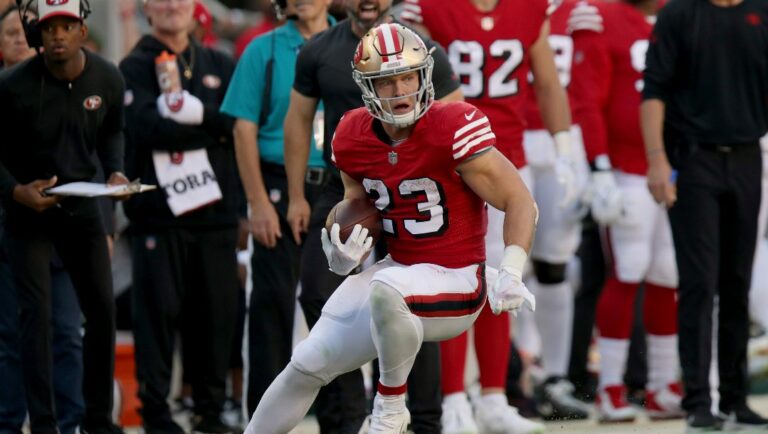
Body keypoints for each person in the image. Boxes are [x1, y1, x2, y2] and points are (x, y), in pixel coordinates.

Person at [244, 23, 537, 434]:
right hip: (397, 271)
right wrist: (339, 244)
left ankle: (389, 410)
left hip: (458, 279)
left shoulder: (453, 125)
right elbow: (354, 205)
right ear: (368, 87)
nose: (400, 91)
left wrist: (511, 267)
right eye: (387, 81)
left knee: (387, 288)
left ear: (424, 77)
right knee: (308, 360)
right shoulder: (351, 134)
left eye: (407, 77)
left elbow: (519, 199)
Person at [402, 0, 586, 429]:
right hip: (447, 158)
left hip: (506, 155)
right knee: (450, 278)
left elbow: (546, 82)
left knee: (502, 278)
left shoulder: (528, 9)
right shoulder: (429, 8)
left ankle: (492, 398)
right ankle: (450, 398)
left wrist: (563, 148)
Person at [283, 0, 462, 431]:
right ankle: (344, 418)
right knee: (318, 290)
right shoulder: (317, 50)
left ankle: (422, 419)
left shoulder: (419, 48)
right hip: (348, 189)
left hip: (410, 188)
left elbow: (457, 120)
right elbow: (298, 122)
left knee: (416, 304)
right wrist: (295, 197)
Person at [0, 1, 127, 433]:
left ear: (82, 31)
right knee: (35, 317)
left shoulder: (107, 76)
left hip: (81, 205)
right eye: (50, 27)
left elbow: (113, 129)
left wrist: (114, 169)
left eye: (66, 26)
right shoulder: (13, 85)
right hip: (27, 210)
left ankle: (96, 419)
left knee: (102, 311)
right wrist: (15, 190)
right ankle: (45, 423)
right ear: (38, 33)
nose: (57, 35)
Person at [640, 0, 768, 431]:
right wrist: (657, 159)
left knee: (737, 281)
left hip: (749, 156)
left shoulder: (761, 12)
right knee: (699, 282)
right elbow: (653, 90)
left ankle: (735, 398)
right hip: (693, 159)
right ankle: (698, 399)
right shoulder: (680, 13)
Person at [119, 0, 240, 433]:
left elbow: (236, 124)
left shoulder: (218, 62)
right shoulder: (133, 66)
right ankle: (157, 412)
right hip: (157, 216)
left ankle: (211, 408)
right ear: (146, 9)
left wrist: (200, 115)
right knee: (157, 317)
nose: (171, 5)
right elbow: (147, 126)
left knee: (215, 317)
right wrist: (210, 128)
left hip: (217, 216)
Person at [569, 0, 683, 422]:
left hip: (671, 166)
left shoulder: (676, 13)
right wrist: (598, 165)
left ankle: (661, 384)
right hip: (624, 168)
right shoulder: (599, 15)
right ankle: (611, 386)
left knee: (667, 273)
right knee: (629, 269)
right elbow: (586, 98)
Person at [220, 0, 334, 417]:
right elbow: (243, 128)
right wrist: (256, 203)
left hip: (339, 185)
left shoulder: (351, 41)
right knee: (270, 306)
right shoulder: (261, 49)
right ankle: (264, 419)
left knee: (340, 307)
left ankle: (341, 417)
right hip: (275, 185)